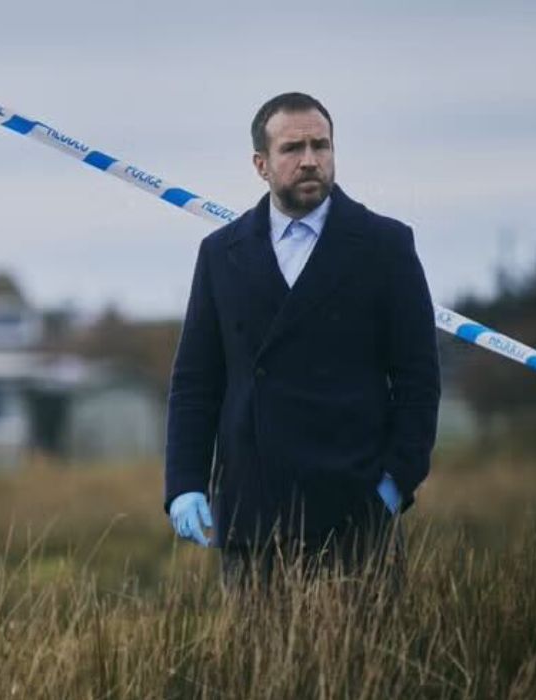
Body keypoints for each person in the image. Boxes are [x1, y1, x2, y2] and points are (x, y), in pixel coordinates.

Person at [164, 92, 440, 584]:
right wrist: (185, 484)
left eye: (321, 145)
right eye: (293, 149)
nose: (310, 160)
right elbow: (195, 384)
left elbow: (419, 378)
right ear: (261, 164)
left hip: (357, 515)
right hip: (253, 516)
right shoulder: (220, 253)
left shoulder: (385, 245)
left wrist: (396, 481)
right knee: (260, 663)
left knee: (366, 661)